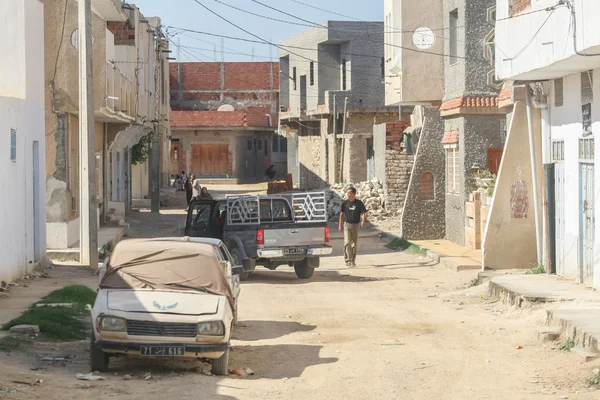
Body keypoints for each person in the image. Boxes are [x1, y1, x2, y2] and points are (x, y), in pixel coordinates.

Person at [338, 187, 368, 267]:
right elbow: (341, 214)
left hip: (356, 225)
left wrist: (363, 221)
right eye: (347, 193)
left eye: (349, 193)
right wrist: (340, 225)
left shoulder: (359, 203)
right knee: (347, 242)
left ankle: (353, 261)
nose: (347, 194)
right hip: (347, 225)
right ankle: (348, 260)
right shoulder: (345, 203)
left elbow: (363, 213)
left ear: (353, 194)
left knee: (354, 244)